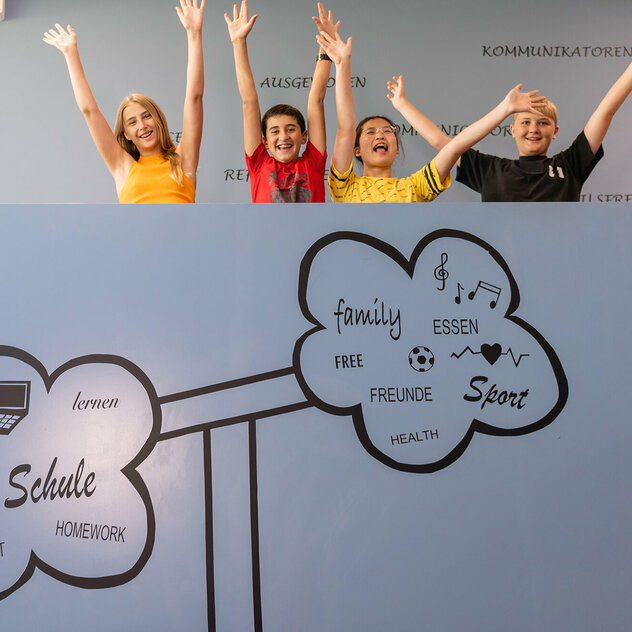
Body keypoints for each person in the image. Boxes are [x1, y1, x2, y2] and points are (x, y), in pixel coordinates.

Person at [316, 30, 546, 204]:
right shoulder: (344, 186)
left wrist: (505, 108)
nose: (381, 135)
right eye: (371, 132)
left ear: (396, 147)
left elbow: (455, 147)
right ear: (356, 150)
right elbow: (346, 127)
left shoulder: (415, 187)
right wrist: (342, 63)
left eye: (388, 131)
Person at [387, 60, 632, 201]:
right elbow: (441, 142)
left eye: (543, 123)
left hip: (557, 265)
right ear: (512, 130)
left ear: (555, 131)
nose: (533, 129)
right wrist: (402, 105)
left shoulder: (571, 164)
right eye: (525, 122)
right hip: (502, 272)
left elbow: (605, 112)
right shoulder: (489, 169)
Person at [43, 0, 205, 203]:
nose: (142, 125)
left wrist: (194, 34)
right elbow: (90, 111)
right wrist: (70, 54)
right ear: (126, 134)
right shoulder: (122, 166)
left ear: (158, 120)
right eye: (132, 122)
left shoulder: (184, 159)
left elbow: (194, 97)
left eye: (147, 116)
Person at [225, 1, 336, 203]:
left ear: (304, 136)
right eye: (274, 131)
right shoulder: (258, 162)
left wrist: (326, 47)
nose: (283, 136)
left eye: (291, 129)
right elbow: (249, 101)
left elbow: (316, 101)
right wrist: (238, 42)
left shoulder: (313, 162)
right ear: (265, 141)